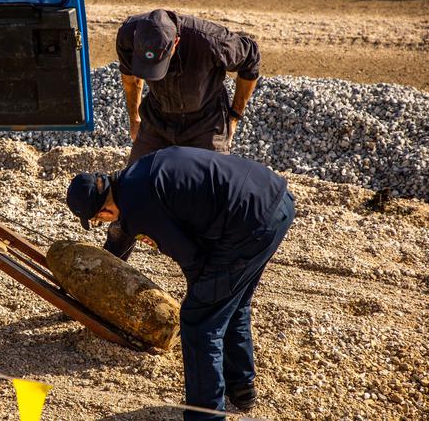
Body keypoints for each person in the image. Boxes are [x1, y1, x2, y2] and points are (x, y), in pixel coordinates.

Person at [66, 146, 295, 420]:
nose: (102, 222)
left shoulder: (138, 208)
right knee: (233, 301)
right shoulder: (137, 173)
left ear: (102, 212)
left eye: (96, 220)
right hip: (275, 199)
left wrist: (200, 296)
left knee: (199, 321)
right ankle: (241, 389)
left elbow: (193, 258)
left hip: (249, 223)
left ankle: (205, 416)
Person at [106, 9, 261, 261]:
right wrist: (134, 116)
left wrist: (234, 115)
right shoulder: (127, 35)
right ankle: (112, 263)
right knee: (130, 190)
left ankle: (213, 278)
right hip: (157, 118)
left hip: (205, 122)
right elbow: (130, 79)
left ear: (175, 42)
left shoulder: (211, 40)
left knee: (212, 199)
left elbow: (251, 57)